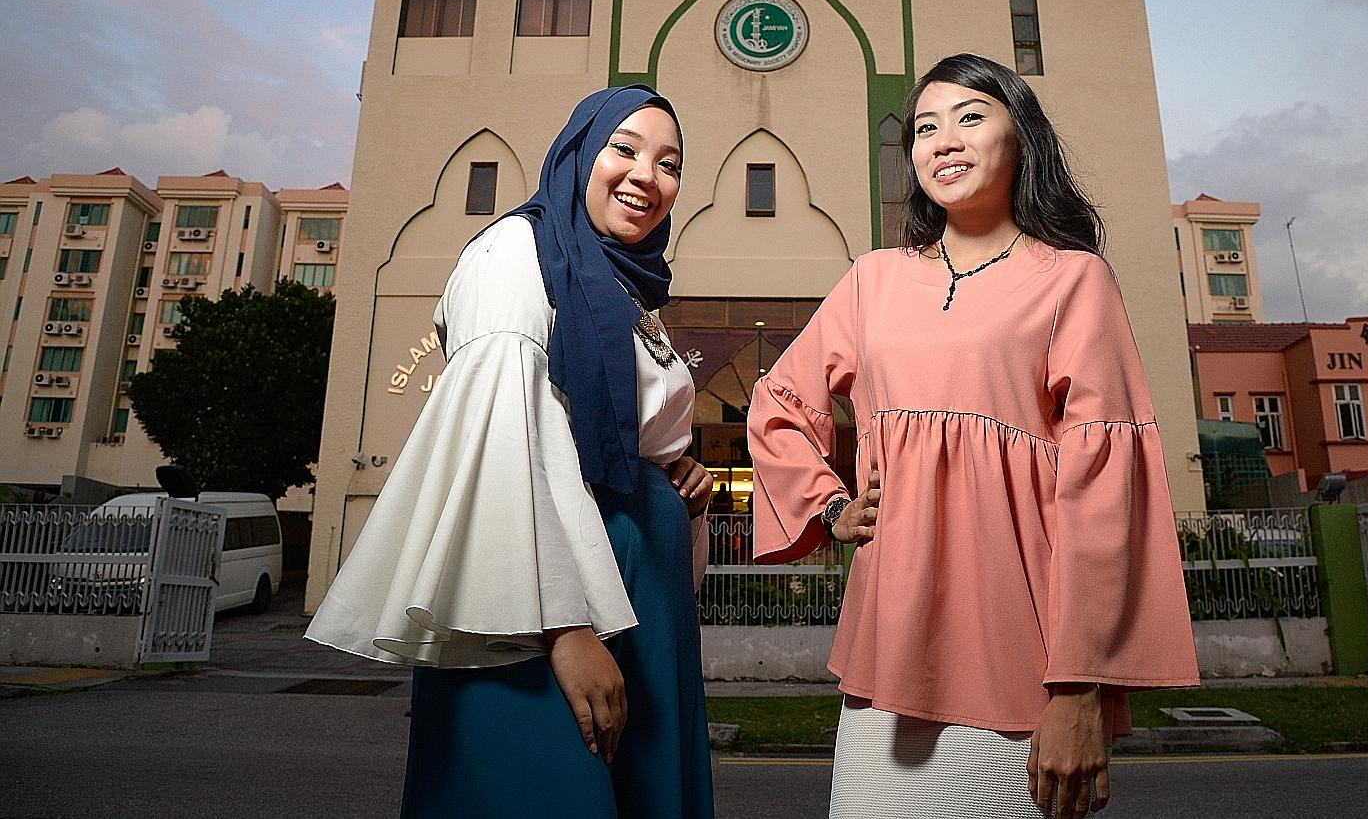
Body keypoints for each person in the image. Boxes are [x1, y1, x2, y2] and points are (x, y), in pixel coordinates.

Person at [748, 54, 1199, 819]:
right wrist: (828, 506)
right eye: (925, 126)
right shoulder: (873, 280)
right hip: (884, 653)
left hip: (1024, 659)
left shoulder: (1073, 280)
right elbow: (779, 401)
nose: (943, 139)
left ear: (1020, 139)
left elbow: (1102, 489)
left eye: (969, 116)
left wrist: (1080, 687)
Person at [306, 85, 716, 818]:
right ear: (578, 154)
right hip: (541, 600)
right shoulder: (516, 253)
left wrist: (668, 467)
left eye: (669, 162)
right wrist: (563, 627)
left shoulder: (618, 286)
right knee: (542, 791)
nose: (646, 175)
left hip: (638, 593)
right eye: (624, 149)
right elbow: (500, 441)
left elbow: (609, 430)